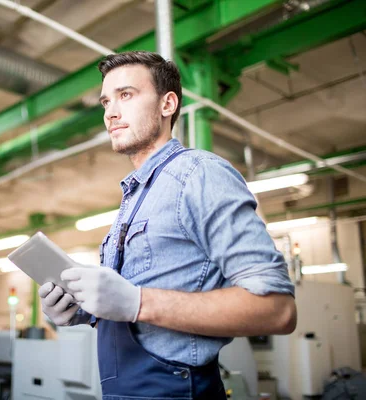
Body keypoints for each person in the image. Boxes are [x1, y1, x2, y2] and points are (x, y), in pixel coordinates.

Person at [39, 51, 297, 399]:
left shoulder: (198, 174)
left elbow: (277, 309)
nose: (110, 112)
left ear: (167, 104)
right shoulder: (137, 196)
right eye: (105, 101)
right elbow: (141, 304)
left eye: (126, 95)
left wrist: (138, 302)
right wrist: (82, 309)